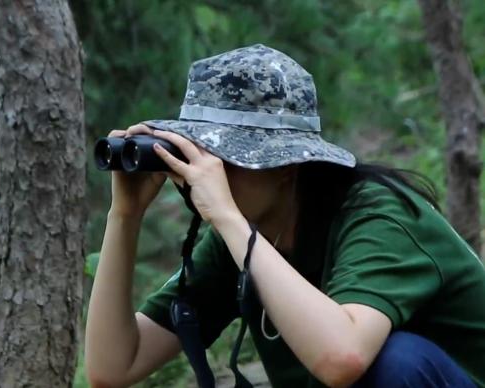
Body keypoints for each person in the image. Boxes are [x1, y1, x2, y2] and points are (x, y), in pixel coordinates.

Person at [84, 44, 485, 388]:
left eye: (226, 156)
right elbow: (114, 366)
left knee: (394, 360)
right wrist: (125, 215)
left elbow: (342, 359)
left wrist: (227, 217)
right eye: (197, 152)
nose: (206, 172)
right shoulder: (240, 234)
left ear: (287, 165)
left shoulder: (378, 217)